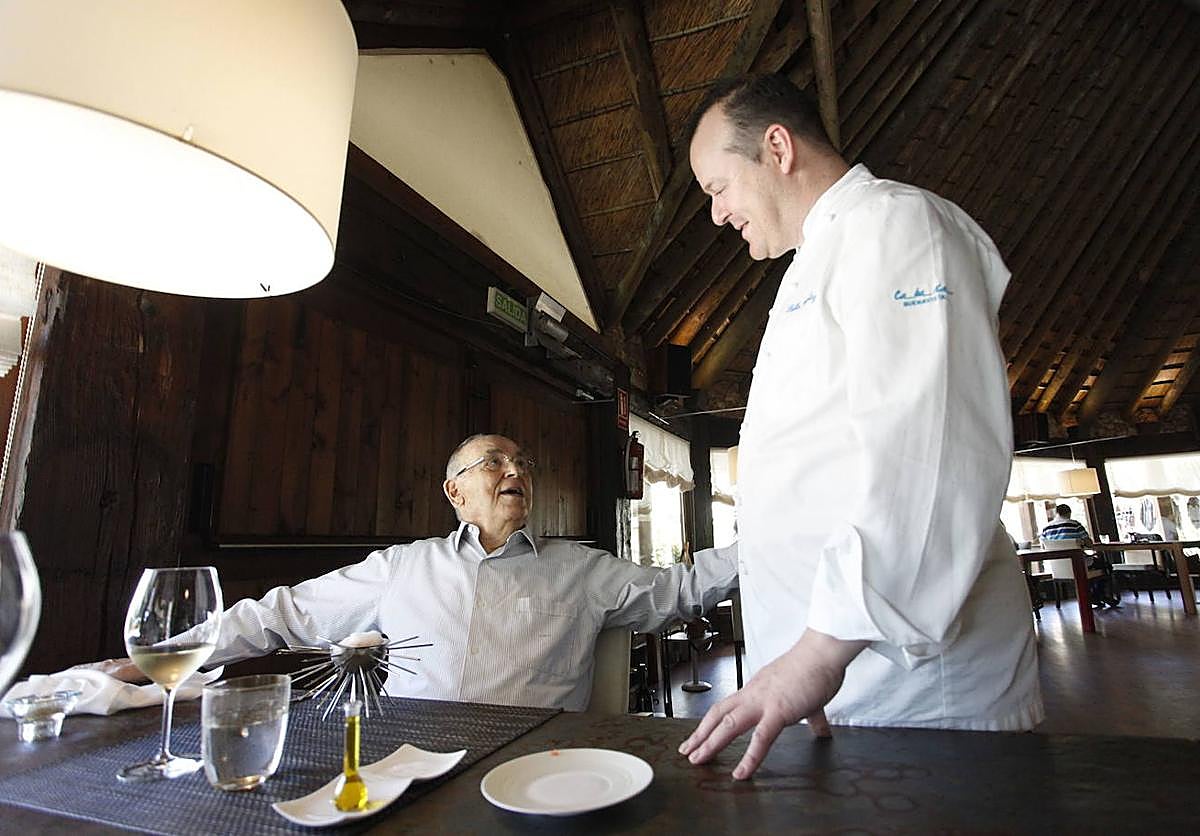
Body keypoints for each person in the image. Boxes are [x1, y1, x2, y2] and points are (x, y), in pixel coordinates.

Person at [678, 74, 1042, 779]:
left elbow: (930, 452)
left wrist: (816, 653)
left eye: (718, 188)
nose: (717, 216)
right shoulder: (816, 257)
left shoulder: (898, 225)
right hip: (846, 687)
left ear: (776, 147)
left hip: (920, 698)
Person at [111, 433, 738, 711]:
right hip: (408, 762)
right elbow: (284, 614)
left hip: (539, 766)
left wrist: (761, 549)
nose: (514, 472)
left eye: (521, 463)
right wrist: (163, 655)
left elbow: (679, 592)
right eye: (493, 462)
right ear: (455, 493)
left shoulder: (581, 569)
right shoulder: (403, 568)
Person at [1041, 504, 1118, 608]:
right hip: (1079, 564)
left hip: (1058, 568)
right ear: (1069, 513)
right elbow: (1089, 544)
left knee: (1096, 566)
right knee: (1106, 566)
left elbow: (1044, 546)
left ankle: (1093, 595)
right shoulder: (1075, 525)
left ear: (1056, 513)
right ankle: (1097, 594)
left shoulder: (1046, 528)